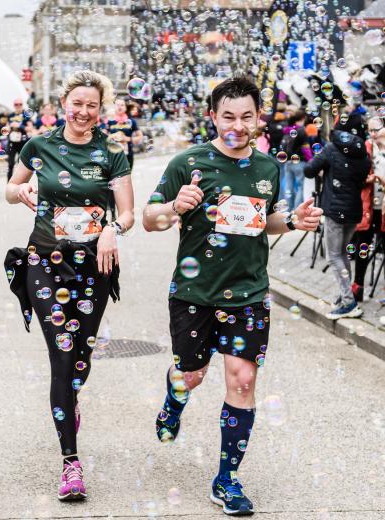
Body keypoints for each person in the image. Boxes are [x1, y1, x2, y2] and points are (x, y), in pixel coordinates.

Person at [142, 77, 322, 516]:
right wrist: (173, 207)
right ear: (213, 117)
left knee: (242, 381)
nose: (237, 126)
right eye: (228, 116)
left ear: (258, 119)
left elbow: (265, 222)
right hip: (194, 293)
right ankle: (174, 400)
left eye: (246, 117)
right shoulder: (188, 163)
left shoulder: (266, 168)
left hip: (248, 293)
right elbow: (149, 218)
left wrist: (293, 221)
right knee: (193, 374)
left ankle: (227, 479)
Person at [4, 70, 133, 502]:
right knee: (61, 353)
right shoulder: (40, 145)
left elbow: (128, 213)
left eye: (91, 105)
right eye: (76, 103)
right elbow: (11, 186)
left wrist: (113, 228)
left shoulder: (113, 152)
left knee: (80, 357)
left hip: (95, 263)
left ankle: (69, 398)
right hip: (45, 260)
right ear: (64, 104)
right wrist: (18, 192)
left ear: (101, 109)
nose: (83, 111)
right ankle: (71, 463)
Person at [304, 116, 371, 319]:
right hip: (354, 210)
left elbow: (309, 170)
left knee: (334, 255)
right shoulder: (364, 155)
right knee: (342, 253)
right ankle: (346, 295)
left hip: (334, 210)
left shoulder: (332, 149)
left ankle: (349, 303)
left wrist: (325, 169)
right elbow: (359, 179)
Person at [352, 117, 385, 302]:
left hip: (384, 207)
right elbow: (356, 176)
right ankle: (357, 288)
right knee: (362, 246)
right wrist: (369, 179)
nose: (372, 134)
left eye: (376, 129)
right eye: (369, 130)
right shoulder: (366, 148)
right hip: (369, 206)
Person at [279, 110, 313, 210]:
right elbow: (305, 148)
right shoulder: (302, 131)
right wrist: (311, 160)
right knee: (301, 187)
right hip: (299, 162)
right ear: (303, 119)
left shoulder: (287, 130)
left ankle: (287, 211)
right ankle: (296, 211)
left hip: (288, 162)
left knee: (289, 188)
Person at [4, 98, 31, 181]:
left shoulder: (26, 115)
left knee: (21, 164)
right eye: (16, 104)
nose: (18, 106)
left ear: (22, 105)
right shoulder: (10, 115)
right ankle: (8, 184)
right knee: (10, 164)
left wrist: (20, 126)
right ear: (14, 105)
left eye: (20, 104)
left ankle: (19, 182)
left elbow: (30, 128)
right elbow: (6, 128)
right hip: (12, 142)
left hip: (22, 142)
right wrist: (9, 127)